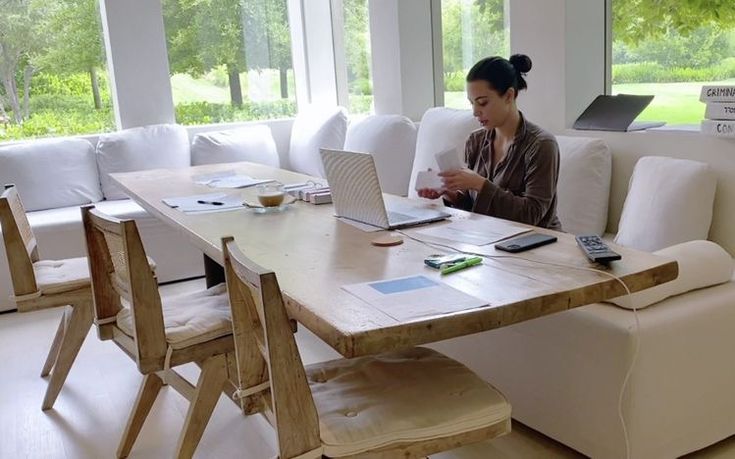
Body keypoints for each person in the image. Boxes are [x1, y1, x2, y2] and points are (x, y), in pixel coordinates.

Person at [418, 54, 562, 231]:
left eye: (483, 103)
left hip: (536, 244)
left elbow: (531, 215)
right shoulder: (475, 141)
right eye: (472, 104)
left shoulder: (541, 145)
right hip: (490, 238)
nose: (475, 112)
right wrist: (453, 195)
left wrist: (480, 184)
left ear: (509, 96)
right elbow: (476, 210)